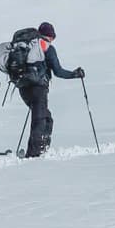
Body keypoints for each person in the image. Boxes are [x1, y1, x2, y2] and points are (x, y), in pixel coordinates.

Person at [17, 22, 84, 158]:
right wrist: (74, 74)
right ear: (51, 36)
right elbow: (58, 71)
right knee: (40, 119)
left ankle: (41, 148)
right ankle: (34, 153)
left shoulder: (27, 45)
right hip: (38, 88)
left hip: (23, 87)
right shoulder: (46, 48)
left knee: (46, 118)